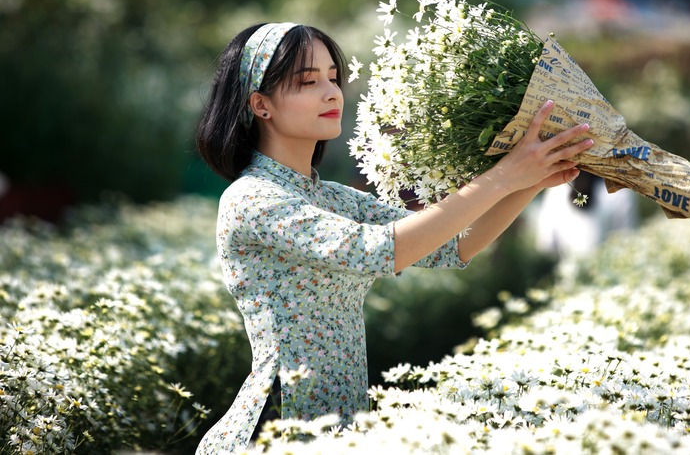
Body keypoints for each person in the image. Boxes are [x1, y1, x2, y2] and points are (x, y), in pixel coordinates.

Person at [193, 22, 593, 453]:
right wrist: (505, 175)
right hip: (279, 425)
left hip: (341, 425)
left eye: (333, 77)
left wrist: (530, 180)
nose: (331, 93)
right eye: (308, 81)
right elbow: (378, 250)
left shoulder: (331, 197)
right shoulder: (251, 199)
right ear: (261, 104)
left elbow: (455, 244)